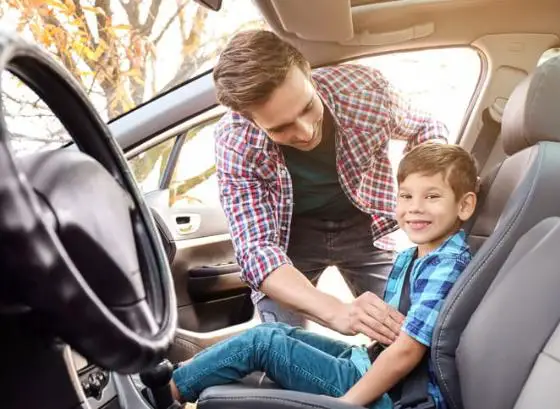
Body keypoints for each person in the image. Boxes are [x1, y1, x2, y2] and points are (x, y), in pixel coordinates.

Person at [171, 143, 478, 409]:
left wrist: (346, 403)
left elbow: (408, 350)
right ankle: (178, 377)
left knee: (263, 343)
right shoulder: (415, 256)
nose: (415, 208)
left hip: (398, 393)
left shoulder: (445, 266)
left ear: (464, 205)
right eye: (406, 196)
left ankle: (165, 393)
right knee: (276, 333)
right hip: (370, 361)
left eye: (432, 196)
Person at [213, 29, 450, 344]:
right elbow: (256, 251)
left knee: (413, 331)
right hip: (289, 242)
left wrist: (418, 194)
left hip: (365, 229)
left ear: (308, 74)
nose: (305, 132)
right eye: (281, 127)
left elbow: (427, 128)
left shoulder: (365, 91)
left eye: (307, 107)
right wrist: (337, 312)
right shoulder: (235, 141)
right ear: (249, 120)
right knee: (282, 345)